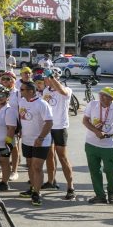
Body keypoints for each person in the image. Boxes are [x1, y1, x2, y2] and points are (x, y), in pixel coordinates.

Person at [13, 80, 53, 206]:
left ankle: (37, 193)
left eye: (22, 90)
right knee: (29, 165)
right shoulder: (22, 101)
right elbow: (21, 118)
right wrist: (19, 130)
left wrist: (41, 138)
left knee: (37, 167)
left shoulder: (42, 103)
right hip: (27, 140)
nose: (20, 92)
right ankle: (32, 188)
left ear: (31, 91)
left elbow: (49, 122)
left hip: (41, 141)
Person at [83, 87, 113, 204]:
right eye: (100, 94)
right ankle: (100, 195)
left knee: (111, 171)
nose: (101, 96)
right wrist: (96, 131)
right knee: (94, 171)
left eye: (105, 95)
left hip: (108, 146)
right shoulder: (93, 104)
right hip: (91, 143)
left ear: (111, 98)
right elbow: (85, 120)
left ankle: (112, 194)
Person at [41, 68, 75, 199]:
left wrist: (52, 78)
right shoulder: (45, 91)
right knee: (49, 156)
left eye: (48, 77)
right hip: (48, 127)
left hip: (60, 128)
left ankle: (70, 187)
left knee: (62, 158)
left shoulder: (66, 90)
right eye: (46, 77)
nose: (46, 80)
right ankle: (51, 181)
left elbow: (61, 91)